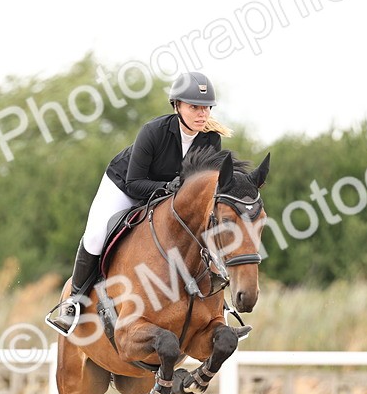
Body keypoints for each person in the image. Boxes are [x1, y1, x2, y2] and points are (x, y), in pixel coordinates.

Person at [46, 71, 233, 334]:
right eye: (194, 107)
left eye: (206, 107)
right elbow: (135, 183)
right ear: (177, 106)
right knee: (96, 234)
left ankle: (216, 304)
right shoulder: (154, 131)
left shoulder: (210, 139)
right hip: (124, 185)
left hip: (169, 198)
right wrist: (168, 188)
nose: (202, 114)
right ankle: (73, 302)